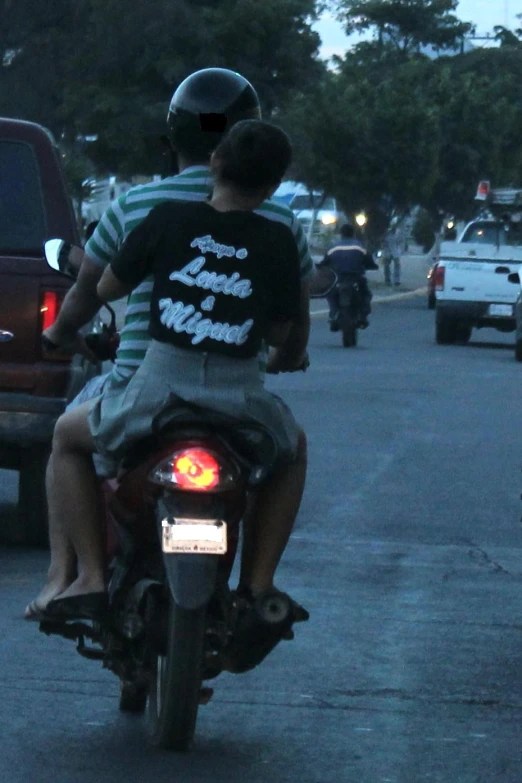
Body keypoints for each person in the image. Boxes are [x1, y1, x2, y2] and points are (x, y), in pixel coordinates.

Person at [25, 68, 313, 620]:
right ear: (272, 183)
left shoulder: (153, 210)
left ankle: (77, 576)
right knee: (292, 449)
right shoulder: (281, 228)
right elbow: (290, 323)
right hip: (239, 401)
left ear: (203, 155)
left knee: (66, 436)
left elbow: (97, 287)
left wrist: (63, 333)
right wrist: (286, 355)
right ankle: (258, 585)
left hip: (147, 388)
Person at [318, 223, 377, 330]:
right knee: (366, 294)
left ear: (341, 234)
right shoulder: (360, 246)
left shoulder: (333, 247)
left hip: (338, 278)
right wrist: (372, 266)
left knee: (331, 294)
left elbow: (325, 262)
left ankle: (334, 314)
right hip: (356, 277)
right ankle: (363, 315)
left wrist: (320, 266)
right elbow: (369, 260)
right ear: (353, 233)